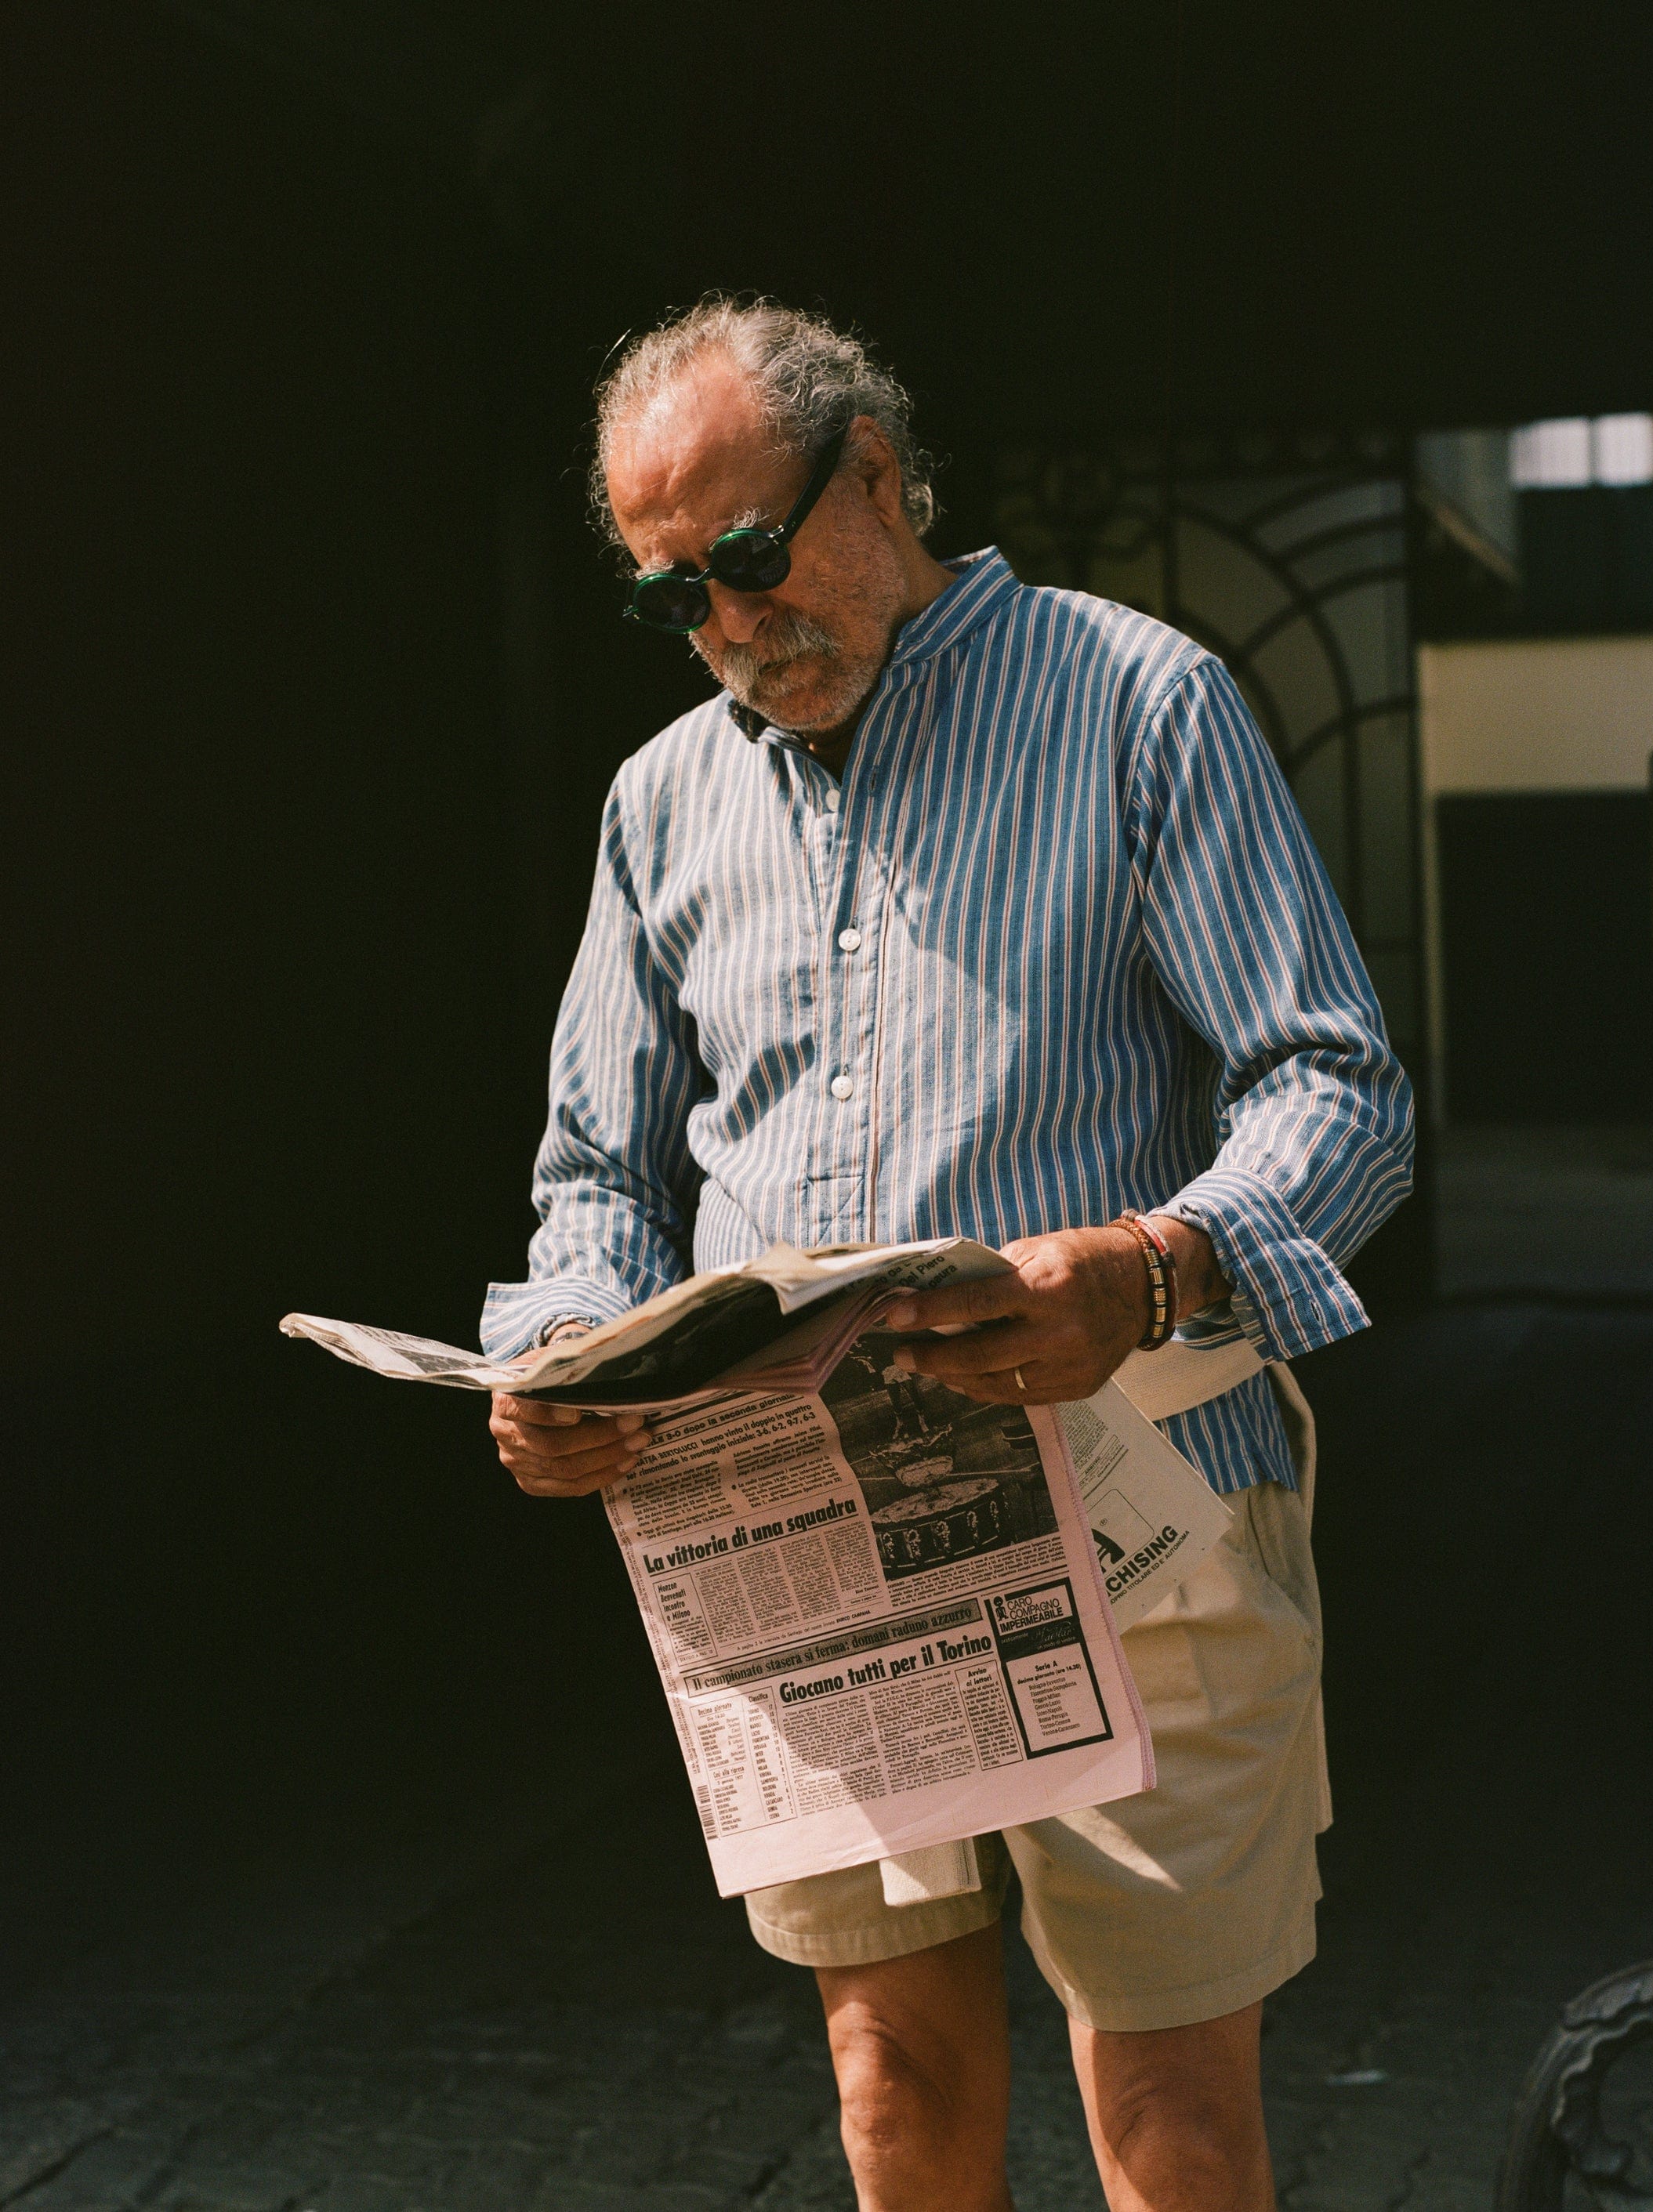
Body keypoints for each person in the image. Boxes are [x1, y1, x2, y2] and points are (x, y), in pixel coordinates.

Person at [480, 297, 1413, 2212]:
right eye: (675, 599)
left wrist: (1145, 1271)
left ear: (881, 477)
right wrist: (564, 1349)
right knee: (891, 2090)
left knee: (1170, 2116)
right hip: (804, 1542)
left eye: (749, 558)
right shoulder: (659, 804)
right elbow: (594, 1168)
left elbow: (1340, 1087)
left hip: (1133, 1501)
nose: (731, 628)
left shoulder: (1135, 700)